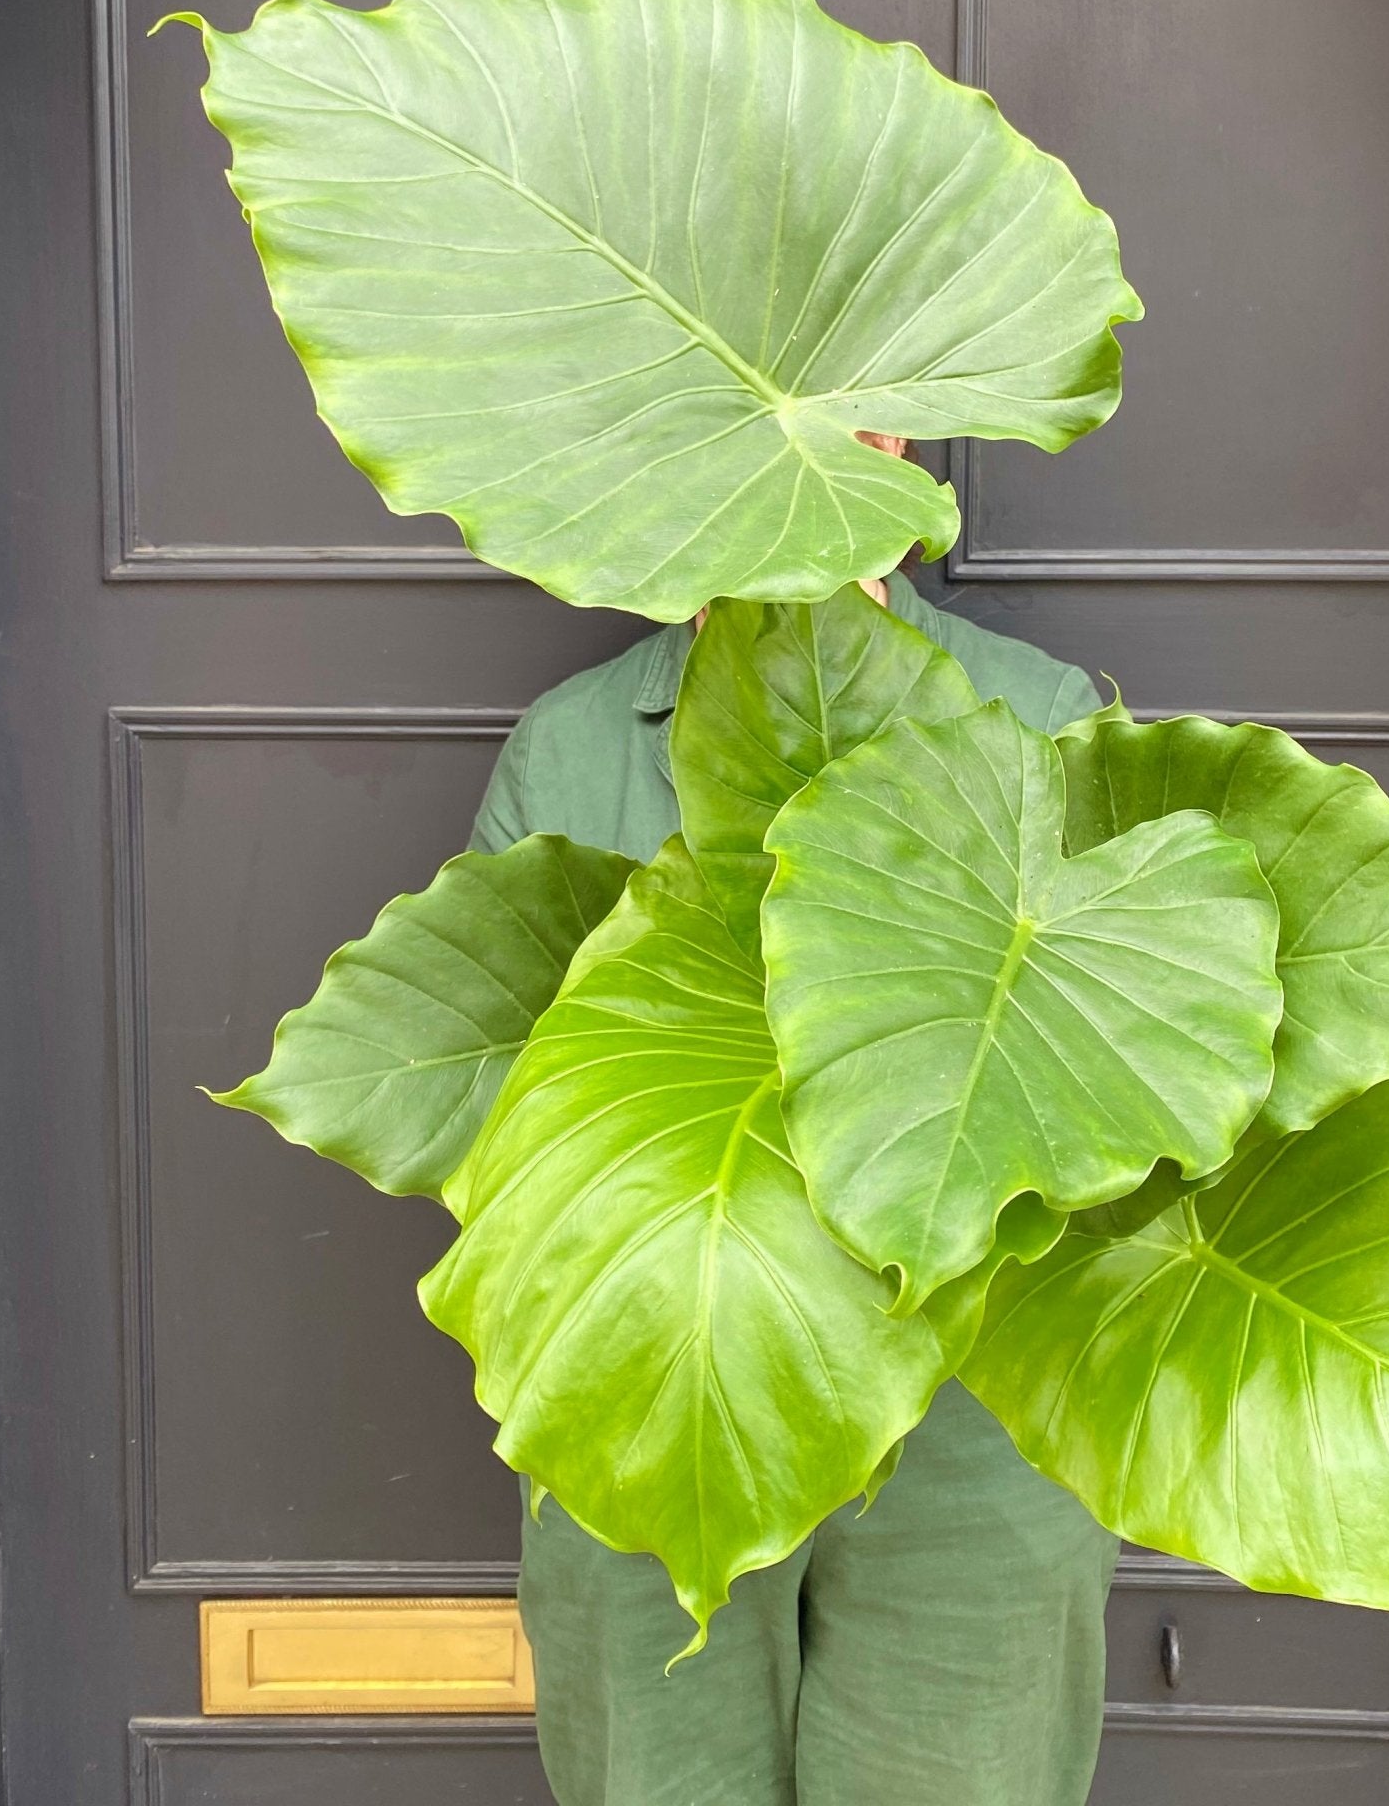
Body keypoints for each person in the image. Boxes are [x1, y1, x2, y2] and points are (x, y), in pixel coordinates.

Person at [468, 435, 1119, 1806]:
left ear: (900, 449)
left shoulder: (1036, 716)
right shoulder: (578, 749)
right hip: (663, 1377)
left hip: (969, 1398)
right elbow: (494, 1096)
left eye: (860, 422)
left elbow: (1110, 1048)